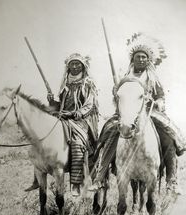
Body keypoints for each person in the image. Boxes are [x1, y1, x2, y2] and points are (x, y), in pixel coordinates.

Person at [89, 33, 186, 194]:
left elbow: (161, 96)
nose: (141, 60)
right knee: (109, 135)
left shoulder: (153, 78)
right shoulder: (125, 77)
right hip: (127, 113)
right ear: (132, 59)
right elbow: (118, 98)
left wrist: (159, 102)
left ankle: (172, 180)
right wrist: (116, 93)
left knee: (168, 137)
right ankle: (100, 177)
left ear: (148, 60)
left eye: (144, 57)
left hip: (150, 113)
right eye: (138, 57)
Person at [25, 53, 99, 196]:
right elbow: (62, 105)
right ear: (68, 66)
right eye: (72, 63)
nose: (75, 66)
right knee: (41, 135)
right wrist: (53, 102)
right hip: (63, 117)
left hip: (81, 120)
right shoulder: (65, 84)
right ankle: (37, 176)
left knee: (77, 143)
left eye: (78, 64)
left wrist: (76, 113)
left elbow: (90, 104)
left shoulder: (88, 83)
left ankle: (76, 183)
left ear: (83, 66)